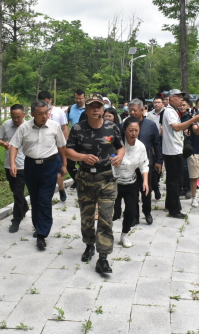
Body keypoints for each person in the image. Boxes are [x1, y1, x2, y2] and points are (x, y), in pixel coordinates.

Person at [66, 93, 124, 274]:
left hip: (107, 179)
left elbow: (121, 146)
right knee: (87, 217)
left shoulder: (112, 127)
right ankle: (89, 244)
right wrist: (82, 157)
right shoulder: (78, 128)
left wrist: (119, 157)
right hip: (85, 180)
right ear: (88, 109)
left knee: (106, 219)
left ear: (103, 108)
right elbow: (68, 151)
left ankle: (103, 258)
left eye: (99, 106)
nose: (96, 109)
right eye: (92, 106)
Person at [9, 100, 67, 249]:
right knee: (34, 199)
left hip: (49, 166)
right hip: (31, 166)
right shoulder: (24, 127)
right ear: (32, 114)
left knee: (44, 200)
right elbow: (14, 145)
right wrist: (13, 163)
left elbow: (61, 146)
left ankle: (42, 234)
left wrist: (64, 164)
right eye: (40, 114)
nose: (44, 116)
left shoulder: (54, 126)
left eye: (46, 113)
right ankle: (38, 226)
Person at [119, 98, 162, 224]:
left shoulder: (151, 125)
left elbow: (157, 144)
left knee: (146, 189)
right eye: (130, 110)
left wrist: (159, 161)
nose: (132, 113)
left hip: (146, 161)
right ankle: (134, 216)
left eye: (135, 110)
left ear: (142, 110)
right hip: (130, 163)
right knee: (133, 191)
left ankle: (147, 212)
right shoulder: (124, 125)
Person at [162, 89, 199, 218]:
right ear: (171, 98)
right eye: (178, 97)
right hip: (173, 151)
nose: (181, 99)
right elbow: (176, 127)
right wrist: (193, 120)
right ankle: (174, 209)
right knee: (176, 181)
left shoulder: (174, 111)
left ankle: (170, 204)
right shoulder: (169, 111)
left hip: (174, 149)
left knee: (172, 180)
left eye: (182, 97)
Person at [113, 117, 149, 248]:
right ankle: (105, 231)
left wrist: (145, 181)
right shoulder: (117, 144)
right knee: (114, 212)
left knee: (131, 211)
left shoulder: (140, 146)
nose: (133, 133)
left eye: (136, 130)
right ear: (125, 130)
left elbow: (144, 165)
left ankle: (124, 234)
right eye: (131, 130)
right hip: (116, 181)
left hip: (131, 181)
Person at [0, 104, 28, 233]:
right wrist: (3, 143)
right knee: (14, 190)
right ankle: (24, 207)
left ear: (24, 115)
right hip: (8, 164)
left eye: (18, 117)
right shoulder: (6, 124)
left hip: (23, 165)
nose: (16, 120)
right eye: (14, 117)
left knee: (18, 192)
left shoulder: (28, 127)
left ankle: (16, 220)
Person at [38, 91, 69, 203]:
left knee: (59, 172)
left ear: (50, 100)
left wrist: (64, 143)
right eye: (43, 102)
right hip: (42, 148)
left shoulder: (58, 111)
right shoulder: (36, 111)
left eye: (47, 102)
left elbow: (64, 128)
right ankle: (46, 194)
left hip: (57, 147)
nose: (46, 104)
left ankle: (61, 189)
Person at [66, 89, 86, 187]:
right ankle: (77, 180)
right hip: (73, 140)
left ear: (84, 98)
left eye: (80, 99)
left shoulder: (89, 109)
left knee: (83, 163)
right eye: (76, 98)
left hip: (85, 140)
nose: (78, 100)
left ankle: (84, 181)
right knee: (69, 163)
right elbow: (65, 124)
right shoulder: (71, 109)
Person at [179, 98, 192, 199]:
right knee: (181, 167)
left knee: (186, 167)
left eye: (184, 105)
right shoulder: (177, 116)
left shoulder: (190, 117)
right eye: (181, 105)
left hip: (188, 145)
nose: (182, 107)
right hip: (178, 144)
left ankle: (189, 188)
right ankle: (183, 187)